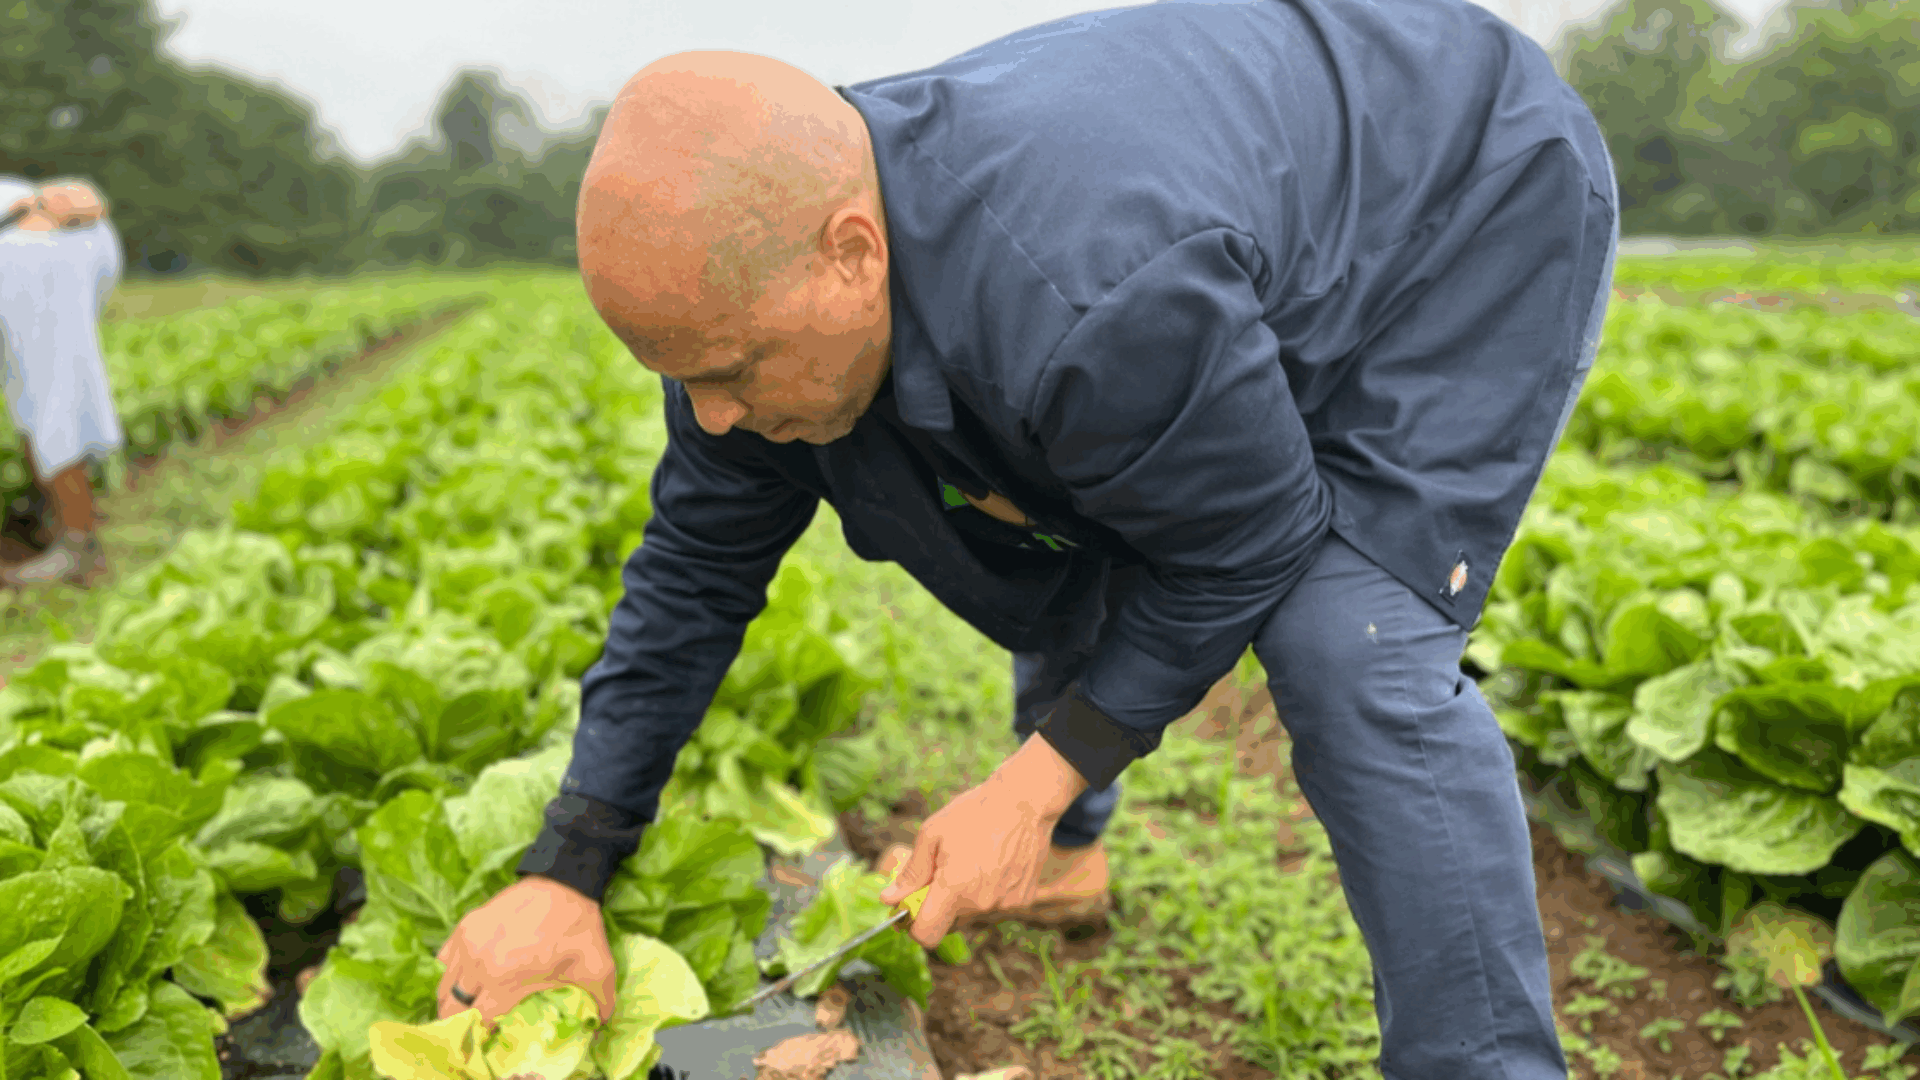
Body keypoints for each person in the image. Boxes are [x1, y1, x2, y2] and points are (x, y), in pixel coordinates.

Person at [438, 0, 1619, 1075]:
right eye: (680, 379)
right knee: (1027, 495)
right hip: (1221, 242)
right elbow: (692, 579)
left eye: (729, 371)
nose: (713, 416)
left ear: (853, 251)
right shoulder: (740, 319)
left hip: (1460, 198)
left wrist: (1032, 783)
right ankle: (1070, 859)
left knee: (1347, 641)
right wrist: (566, 866)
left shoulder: (1082, 295)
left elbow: (1247, 545)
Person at [0, 175, 123, 587]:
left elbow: (73, 200)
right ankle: (51, 523)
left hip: (37, 251)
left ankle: (77, 548)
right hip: (42, 242)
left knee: (50, 398)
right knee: (31, 398)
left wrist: (77, 202)